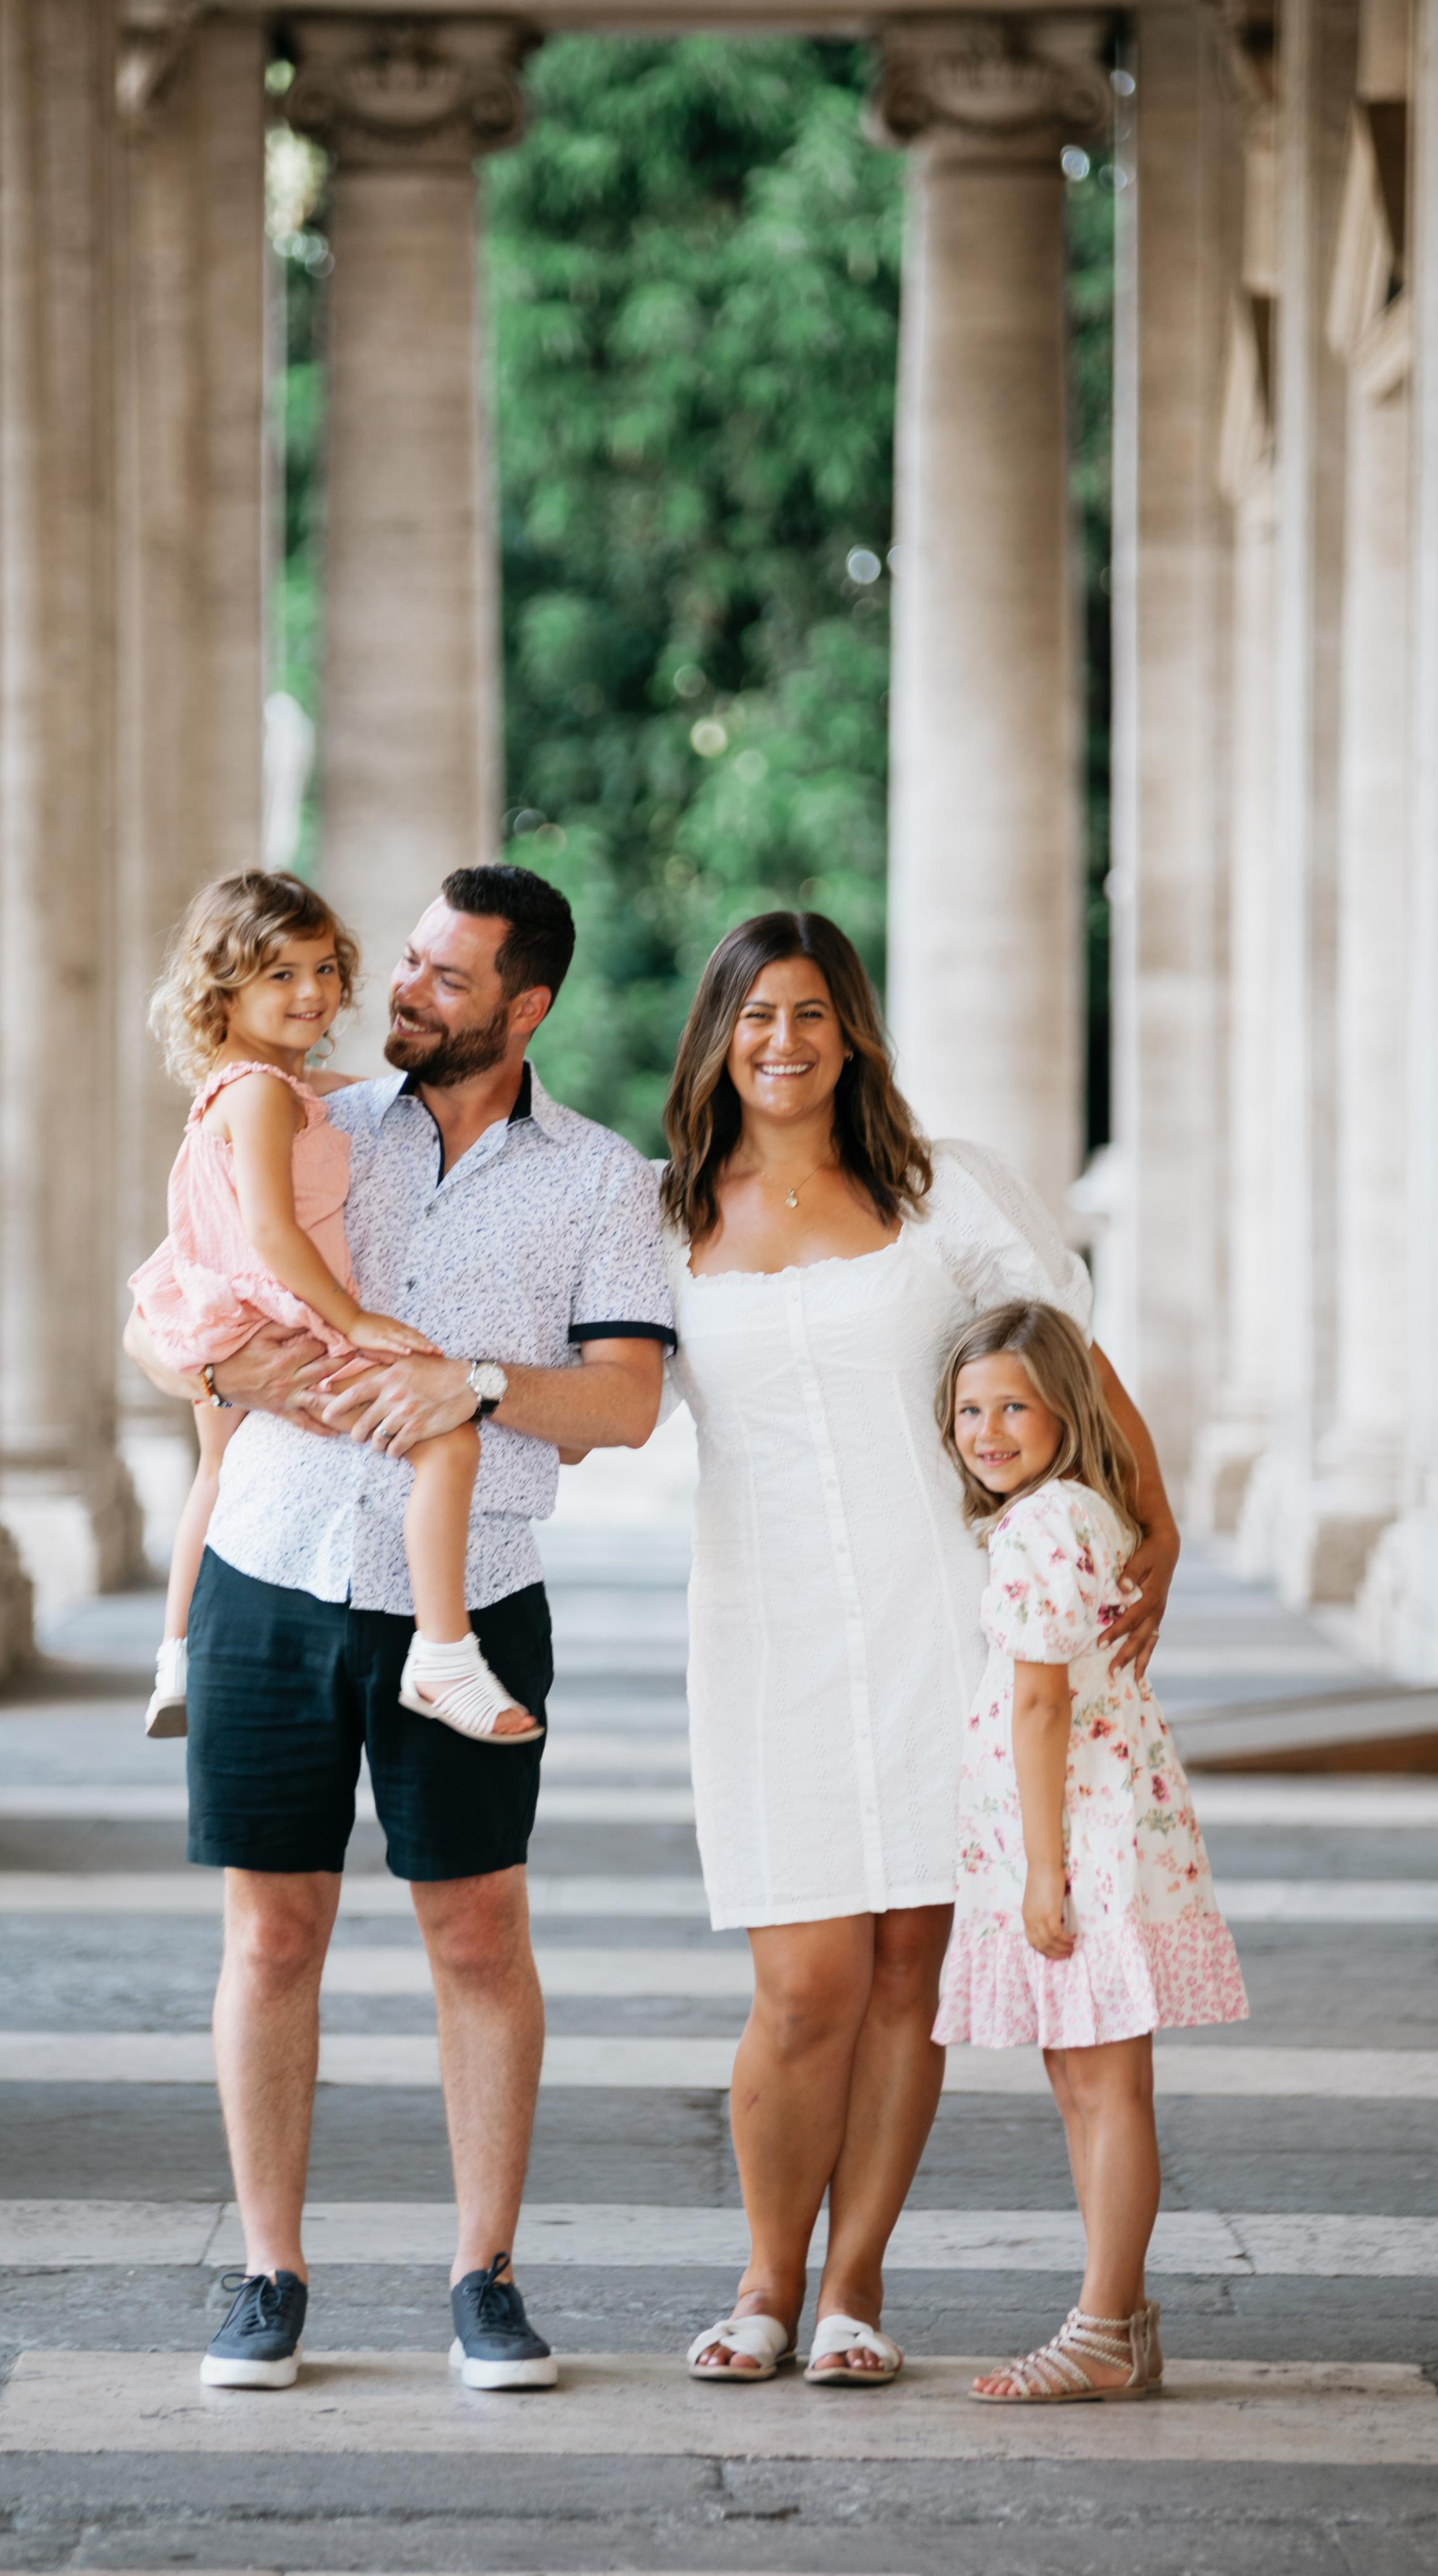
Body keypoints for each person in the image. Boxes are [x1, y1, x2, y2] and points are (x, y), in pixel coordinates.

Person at [121, 865, 674, 2394]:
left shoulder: (602, 1181)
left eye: (440, 975)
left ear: (526, 1005)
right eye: (406, 965)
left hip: (472, 1594)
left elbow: (623, 1404)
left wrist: (474, 1385)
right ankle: (267, 2273)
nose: (400, 994)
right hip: (271, 1569)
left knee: (478, 1935)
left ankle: (483, 2275)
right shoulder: (303, 1117)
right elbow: (163, 1307)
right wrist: (276, 1378)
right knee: (270, 1932)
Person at [659, 912, 1180, 2389]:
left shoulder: (936, 1190)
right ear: (716, 1037)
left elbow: (1063, 1352)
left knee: (908, 1971)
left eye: (811, 1014)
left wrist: (1157, 1520)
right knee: (800, 1982)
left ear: (852, 1032)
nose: (782, 1042)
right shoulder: (661, 1214)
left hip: (944, 1623)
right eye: (755, 1016)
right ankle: (762, 2281)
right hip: (763, 1639)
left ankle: (852, 2290)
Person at [129, 871, 537, 1747]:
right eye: (279, 975)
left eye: (324, 969)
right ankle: (442, 1652)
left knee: (217, 1473)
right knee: (449, 1437)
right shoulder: (266, 1097)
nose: (311, 992)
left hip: (221, 1313)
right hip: (284, 1317)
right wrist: (352, 1325)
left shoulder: (262, 1091)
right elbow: (274, 1232)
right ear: (222, 986)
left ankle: (175, 1657)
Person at [935, 1300, 1248, 2403]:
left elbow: (1039, 1705)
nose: (988, 1428)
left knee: (1105, 2087)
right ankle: (1116, 2318)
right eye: (970, 1408)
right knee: (1083, 2081)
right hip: (1096, 1828)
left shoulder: (1043, 1525)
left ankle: (1107, 2325)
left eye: (1015, 1404)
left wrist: (1041, 1867)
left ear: (1070, 1407)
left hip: (1081, 1839)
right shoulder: (1073, 1513)